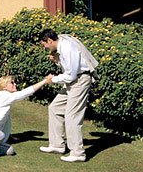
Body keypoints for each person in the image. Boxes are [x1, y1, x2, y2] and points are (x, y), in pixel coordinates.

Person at [39, 29, 99, 162]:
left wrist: (53, 80)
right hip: (73, 81)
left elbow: (71, 75)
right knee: (54, 108)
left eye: (45, 45)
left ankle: (78, 153)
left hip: (80, 81)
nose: (45, 48)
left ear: (50, 40)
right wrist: (57, 60)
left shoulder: (67, 48)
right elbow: (69, 68)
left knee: (72, 116)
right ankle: (57, 145)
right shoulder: (61, 47)